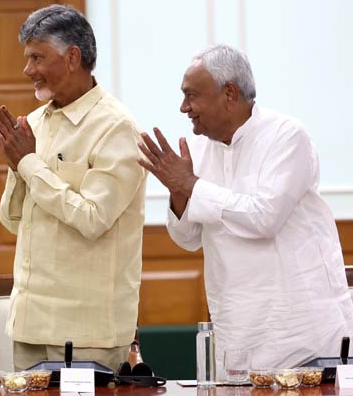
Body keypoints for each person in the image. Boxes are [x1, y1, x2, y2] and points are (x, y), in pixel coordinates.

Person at [137, 44, 353, 370]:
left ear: (229, 94)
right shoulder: (197, 148)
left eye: (192, 95)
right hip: (237, 338)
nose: (184, 107)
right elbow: (188, 238)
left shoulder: (287, 136)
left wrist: (191, 185)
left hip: (302, 335)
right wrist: (179, 193)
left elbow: (264, 219)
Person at [0, 4, 147, 371]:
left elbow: (93, 219)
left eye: (37, 57)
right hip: (29, 326)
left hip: (88, 334)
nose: (28, 70)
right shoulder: (35, 122)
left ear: (73, 57)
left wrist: (29, 163)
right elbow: (14, 221)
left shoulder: (116, 128)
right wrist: (18, 165)